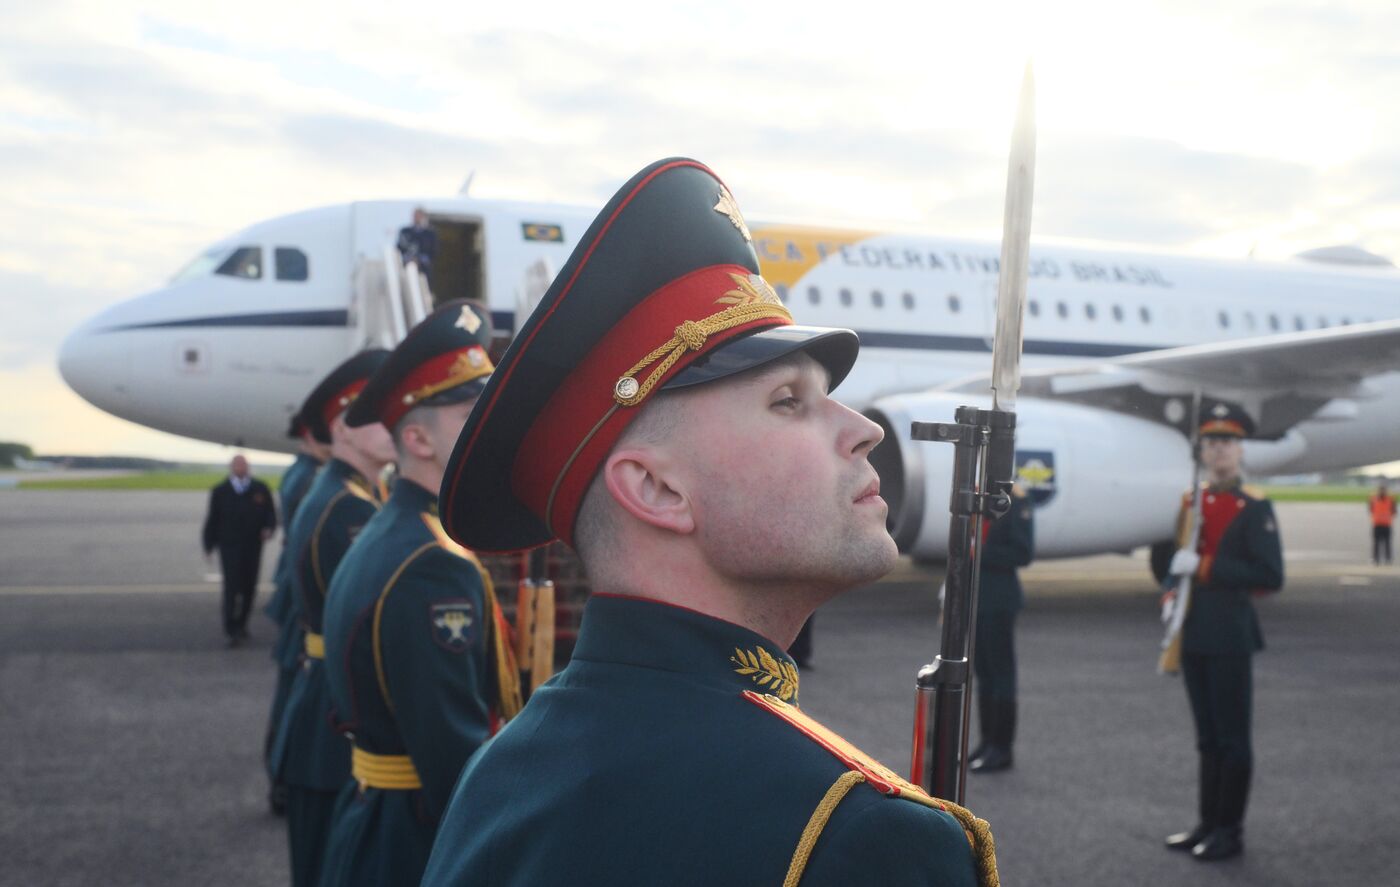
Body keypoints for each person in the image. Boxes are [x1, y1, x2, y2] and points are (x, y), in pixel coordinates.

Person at [421, 158, 996, 887]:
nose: (863, 428)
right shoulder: (864, 837)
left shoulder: (503, 771)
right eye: (789, 400)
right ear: (658, 488)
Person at [318, 301, 522, 887]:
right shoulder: (433, 565)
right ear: (417, 439)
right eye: (470, 414)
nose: (489, 427)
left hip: (378, 822)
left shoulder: (399, 531)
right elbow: (453, 759)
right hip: (414, 842)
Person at [267, 349, 395, 887]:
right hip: (331, 721)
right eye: (380, 415)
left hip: (318, 707)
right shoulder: (349, 510)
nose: (396, 424)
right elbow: (364, 634)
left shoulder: (348, 497)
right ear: (344, 427)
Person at [1155, 402, 1284, 862]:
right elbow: (1178, 561)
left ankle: (1230, 831)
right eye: (1211, 442)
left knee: (1232, 739)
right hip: (1194, 635)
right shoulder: (1193, 501)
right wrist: (1172, 591)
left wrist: (1206, 566)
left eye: (1227, 442)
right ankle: (1207, 823)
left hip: (1230, 636)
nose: (1219, 450)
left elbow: (1270, 574)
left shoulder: (1254, 506)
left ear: (1240, 449)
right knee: (1207, 738)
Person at [263, 415, 330, 815]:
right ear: (311, 435)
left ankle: (280, 777)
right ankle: (282, 780)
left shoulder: (302, 472)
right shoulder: (310, 479)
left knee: (289, 693)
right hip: (302, 598)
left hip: (294, 591)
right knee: (291, 696)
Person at [968, 486, 1033, 774]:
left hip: (999, 598)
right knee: (983, 672)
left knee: (1001, 673)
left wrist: (980, 552)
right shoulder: (978, 496)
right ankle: (986, 742)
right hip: (978, 598)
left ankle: (1002, 747)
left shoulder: (1015, 500)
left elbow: (1022, 552)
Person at [201, 454, 277, 646]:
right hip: (230, 547)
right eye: (237, 464)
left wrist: (269, 528)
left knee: (249, 588)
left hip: (253, 546)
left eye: (244, 464)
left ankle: (243, 624)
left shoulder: (260, 488)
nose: (241, 468)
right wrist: (208, 544)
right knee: (231, 588)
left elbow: (271, 514)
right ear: (231, 467)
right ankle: (231, 628)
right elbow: (213, 519)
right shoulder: (221, 491)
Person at [396, 207, 438, 279]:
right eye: (415, 216)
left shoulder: (430, 233)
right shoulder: (405, 231)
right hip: (406, 267)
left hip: (423, 270)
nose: (417, 218)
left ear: (423, 217)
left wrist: (420, 259)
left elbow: (434, 251)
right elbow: (399, 248)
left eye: (419, 216)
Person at [1368, 482, 1395, 565]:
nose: (1382, 492)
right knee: (1376, 543)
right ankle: (1376, 559)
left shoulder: (1390, 500)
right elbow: (1371, 509)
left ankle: (1388, 559)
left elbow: (1394, 511)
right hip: (1377, 524)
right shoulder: (1373, 499)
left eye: (1383, 490)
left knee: (1387, 543)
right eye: (1380, 490)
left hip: (1386, 524)